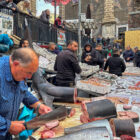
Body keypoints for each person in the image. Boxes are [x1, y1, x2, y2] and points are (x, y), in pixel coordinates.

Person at [0, 48, 52, 140]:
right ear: (16, 64)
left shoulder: (18, 73)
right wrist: (8, 125)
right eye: (28, 73)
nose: (29, 77)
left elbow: (23, 92)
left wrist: (39, 106)